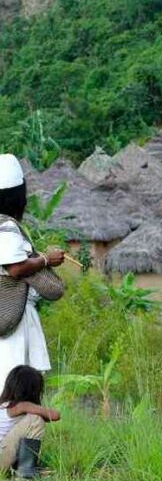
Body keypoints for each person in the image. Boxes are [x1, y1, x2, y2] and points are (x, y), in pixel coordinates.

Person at [0, 155, 64, 388]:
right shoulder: (6, 228)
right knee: (12, 386)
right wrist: (46, 259)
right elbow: (15, 268)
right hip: (13, 319)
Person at [0, 365, 60, 478]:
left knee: (34, 418)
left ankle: (17, 469)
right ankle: (25, 474)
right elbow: (55, 415)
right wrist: (40, 412)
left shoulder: (5, 405)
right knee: (35, 420)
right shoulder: (21, 406)